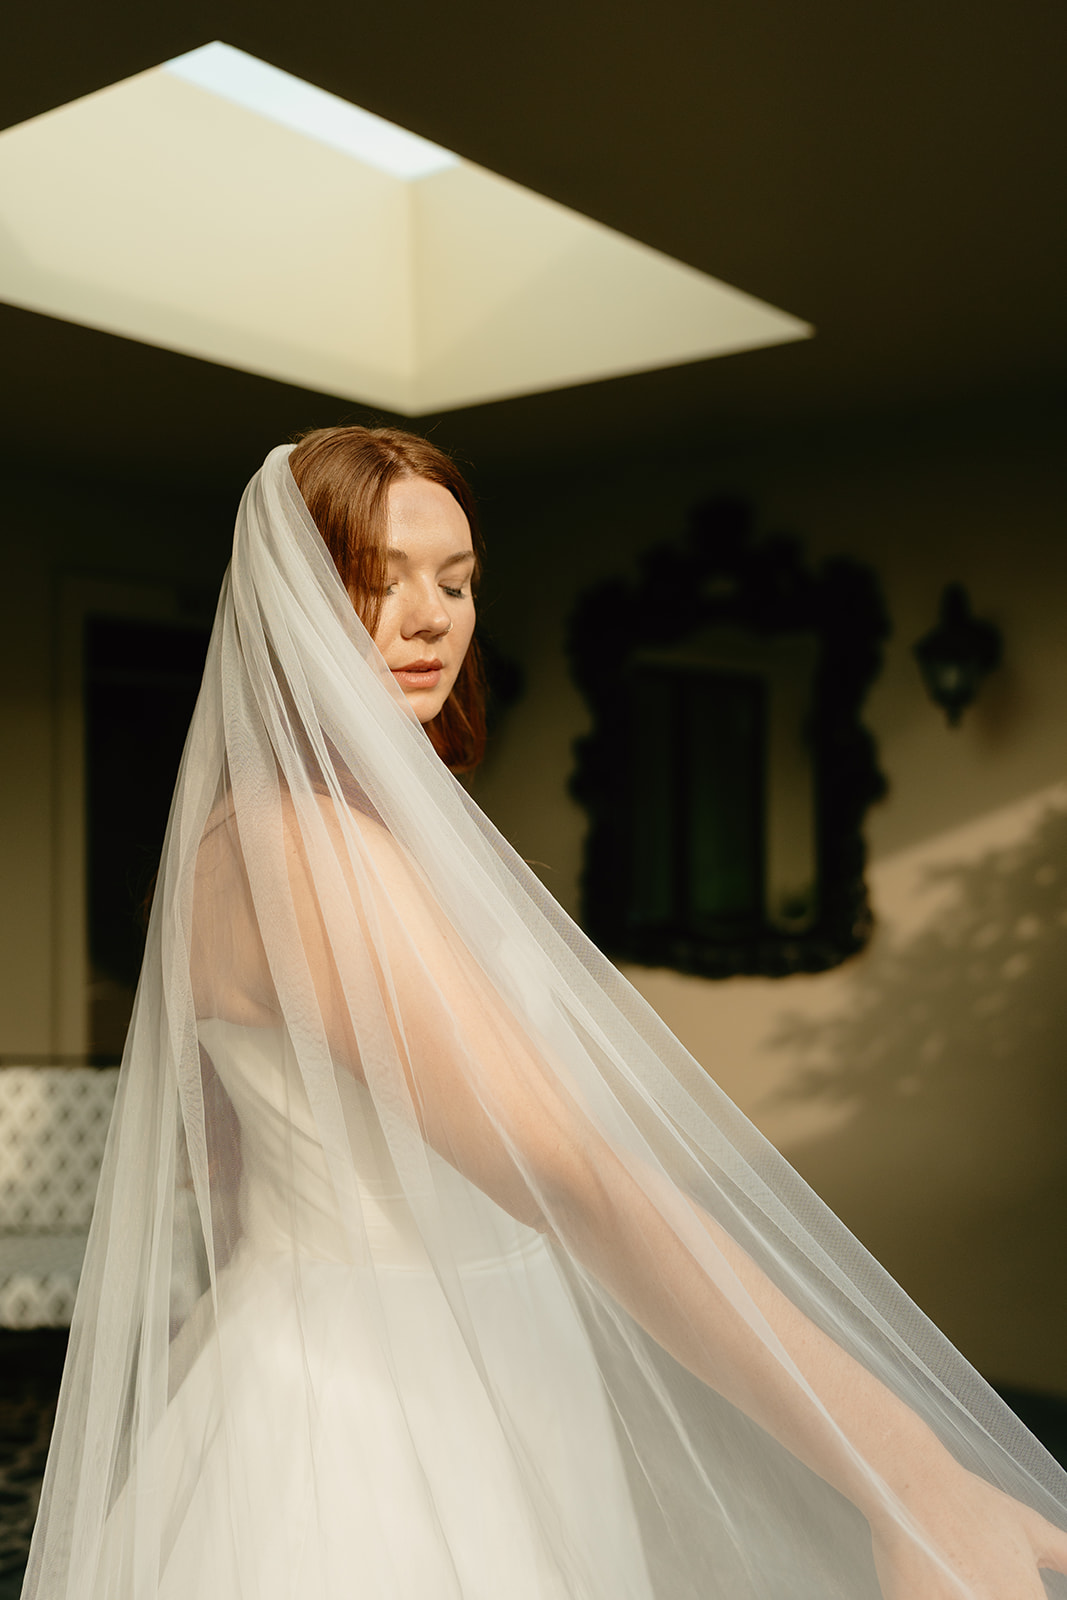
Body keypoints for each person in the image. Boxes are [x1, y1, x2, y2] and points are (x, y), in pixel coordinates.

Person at [22, 427, 1067, 1600]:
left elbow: (226, 1149)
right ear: (294, 602)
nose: (430, 617)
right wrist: (903, 1472)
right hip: (373, 1418)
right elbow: (567, 1164)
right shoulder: (306, 850)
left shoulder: (311, 831)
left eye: (456, 580)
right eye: (375, 576)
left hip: (459, 1362)